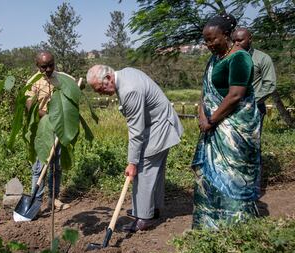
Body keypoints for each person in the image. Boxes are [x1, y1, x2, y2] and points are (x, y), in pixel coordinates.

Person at [86, 65, 183, 233]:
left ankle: (144, 218)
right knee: (155, 170)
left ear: (108, 78)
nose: (100, 93)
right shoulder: (125, 73)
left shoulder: (129, 90)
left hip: (159, 126)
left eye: (100, 89)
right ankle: (152, 209)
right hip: (159, 124)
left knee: (143, 168)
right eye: (97, 91)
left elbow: (136, 131)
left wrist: (132, 162)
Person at [191, 14, 261, 230]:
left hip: (235, 127)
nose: (209, 44)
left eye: (213, 39)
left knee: (232, 175)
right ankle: (210, 222)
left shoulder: (240, 58)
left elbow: (235, 95)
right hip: (214, 125)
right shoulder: (214, 59)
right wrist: (203, 115)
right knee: (210, 175)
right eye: (206, 40)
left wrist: (212, 119)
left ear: (227, 35)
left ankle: (235, 225)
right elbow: (205, 90)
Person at [25, 51, 72, 212]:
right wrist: (52, 116)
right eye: (44, 67)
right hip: (43, 128)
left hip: (59, 127)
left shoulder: (61, 77)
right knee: (40, 167)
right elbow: (30, 106)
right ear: (37, 66)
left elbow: (74, 88)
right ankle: (35, 203)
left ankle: (54, 199)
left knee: (56, 166)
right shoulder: (34, 82)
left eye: (51, 65)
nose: (48, 69)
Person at [232, 28, 276, 128]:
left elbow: (269, 85)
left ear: (250, 39)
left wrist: (249, 102)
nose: (236, 44)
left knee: (251, 142)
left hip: (254, 108)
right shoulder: (229, 58)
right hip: (230, 107)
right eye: (234, 41)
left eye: (240, 40)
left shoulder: (262, 58)